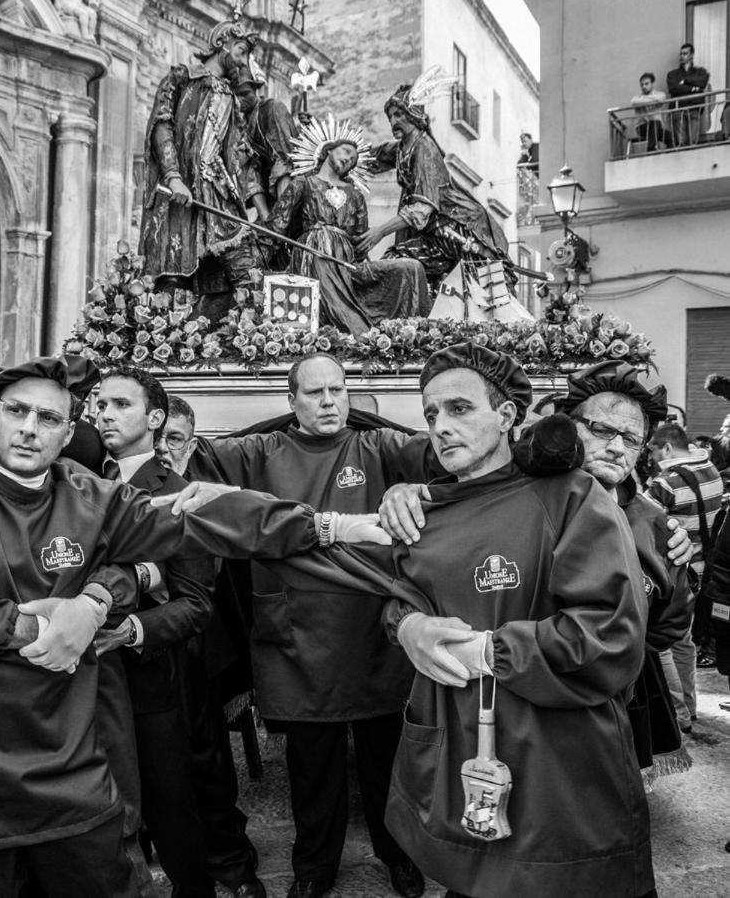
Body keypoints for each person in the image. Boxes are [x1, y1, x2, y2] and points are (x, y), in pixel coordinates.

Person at [0, 354, 384, 897]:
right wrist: (40, 629)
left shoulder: (86, 492)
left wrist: (333, 524)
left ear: (71, 430)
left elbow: (192, 519)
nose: (29, 428)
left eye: (48, 418)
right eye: (16, 411)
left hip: (69, 773)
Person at [261, 343, 657, 898]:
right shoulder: (426, 508)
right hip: (460, 750)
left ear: (507, 415)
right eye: (430, 414)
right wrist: (406, 627)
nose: (441, 427)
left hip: (558, 759)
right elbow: (398, 589)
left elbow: (609, 635)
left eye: (460, 409)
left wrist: (486, 653)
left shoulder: (571, 497)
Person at [185, 352, 436, 898]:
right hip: (295, 638)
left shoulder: (379, 447)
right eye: (316, 392)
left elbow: (441, 456)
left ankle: (399, 855)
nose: (329, 401)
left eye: (339, 390)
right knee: (311, 769)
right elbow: (189, 459)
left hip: (373, 633)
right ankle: (313, 868)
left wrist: (410, 488)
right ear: (291, 401)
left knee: (385, 763)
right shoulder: (259, 451)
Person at [92, 366, 237, 898]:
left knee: (169, 803)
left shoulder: (179, 492)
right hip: (82, 679)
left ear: (154, 418)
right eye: (100, 403)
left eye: (120, 405)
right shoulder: (82, 479)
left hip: (148, 678)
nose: (104, 414)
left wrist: (130, 629)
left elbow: (195, 604)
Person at [553, 365, 693, 776]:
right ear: (568, 427)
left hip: (617, 701)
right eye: (601, 430)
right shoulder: (527, 500)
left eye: (631, 439)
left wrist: (679, 572)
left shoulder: (653, 522)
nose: (616, 447)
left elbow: (669, 626)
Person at [155, 393, 265, 897]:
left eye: (173, 439)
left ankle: (232, 862)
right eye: (157, 437)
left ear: (191, 444)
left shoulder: (209, 496)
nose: (163, 448)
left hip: (199, 653)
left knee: (208, 765)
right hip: (139, 654)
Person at [138, 12, 263, 323]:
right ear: (221, 43)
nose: (244, 61)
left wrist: (257, 204)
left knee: (246, 272)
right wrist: (174, 177)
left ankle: (246, 337)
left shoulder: (232, 98)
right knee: (173, 276)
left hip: (219, 192)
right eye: (241, 51)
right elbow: (161, 126)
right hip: (185, 189)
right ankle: (163, 343)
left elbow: (239, 156)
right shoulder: (182, 78)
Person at [267, 121, 430, 335]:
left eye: (353, 159)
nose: (349, 159)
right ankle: (355, 329)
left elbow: (360, 245)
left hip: (345, 265)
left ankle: (408, 333)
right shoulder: (303, 184)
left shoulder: (356, 195)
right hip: (313, 257)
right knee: (321, 251)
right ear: (328, 149)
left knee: (411, 267)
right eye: (345, 151)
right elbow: (276, 224)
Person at [357, 85, 510, 290]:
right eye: (390, 116)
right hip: (433, 232)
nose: (393, 122)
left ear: (414, 115)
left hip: (457, 228)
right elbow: (368, 158)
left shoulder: (424, 148)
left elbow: (422, 208)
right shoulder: (403, 149)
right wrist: (333, 152)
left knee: (481, 289)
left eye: (399, 114)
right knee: (399, 265)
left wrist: (380, 232)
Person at [646, 420, 723, 726]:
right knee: (685, 640)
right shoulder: (712, 472)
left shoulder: (664, 484)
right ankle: (690, 705)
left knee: (662, 644)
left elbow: (644, 528)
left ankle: (677, 714)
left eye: (652, 451)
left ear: (665, 447)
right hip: (704, 574)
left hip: (675, 574)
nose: (651, 459)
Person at [234, 59, 298, 213]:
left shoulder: (271, 108)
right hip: (265, 185)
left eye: (245, 94)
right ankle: (265, 216)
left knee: (282, 161)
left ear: (256, 91)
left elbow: (284, 156)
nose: (240, 100)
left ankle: (283, 214)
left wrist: (283, 212)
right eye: (236, 96)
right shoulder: (241, 124)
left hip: (287, 182)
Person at [667, 42, 710, 147]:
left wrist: (685, 81)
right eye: (681, 54)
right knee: (680, 143)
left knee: (693, 142)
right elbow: (673, 89)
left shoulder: (700, 71)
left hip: (694, 108)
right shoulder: (673, 74)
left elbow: (703, 82)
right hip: (678, 109)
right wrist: (693, 88)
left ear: (691, 55)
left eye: (685, 53)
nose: (682, 56)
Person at [631, 73, 671, 151]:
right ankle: (650, 149)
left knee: (672, 138)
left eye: (646, 84)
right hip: (642, 127)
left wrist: (643, 100)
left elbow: (661, 98)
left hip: (657, 128)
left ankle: (667, 158)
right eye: (642, 85)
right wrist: (653, 100)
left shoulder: (660, 94)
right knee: (654, 123)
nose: (644, 87)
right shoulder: (637, 97)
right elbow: (633, 102)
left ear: (652, 84)